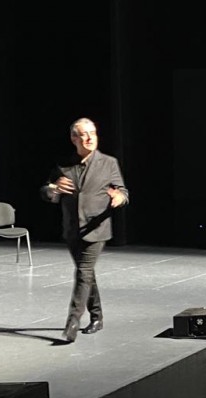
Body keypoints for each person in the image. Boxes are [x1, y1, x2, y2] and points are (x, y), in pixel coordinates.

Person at [41, 118, 129, 343]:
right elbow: (46, 191)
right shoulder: (64, 164)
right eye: (84, 134)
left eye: (93, 133)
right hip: (72, 229)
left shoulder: (108, 163)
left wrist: (119, 197)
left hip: (96, 228)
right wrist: (53, 188)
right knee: (87, 274)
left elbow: (122, 191)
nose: (90, 138)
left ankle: (72, 322)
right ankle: (97, 317)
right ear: (74, 139)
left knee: (83, 273)